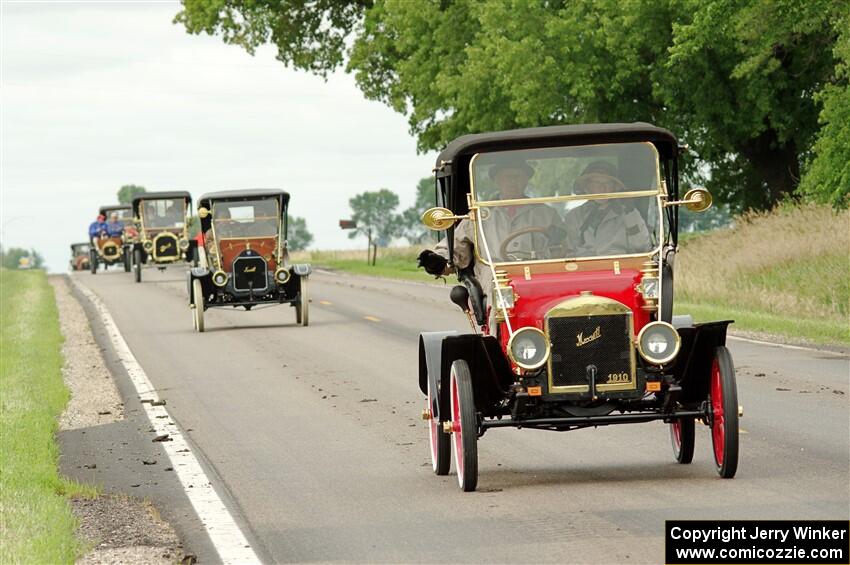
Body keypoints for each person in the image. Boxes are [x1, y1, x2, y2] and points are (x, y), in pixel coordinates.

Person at [417, 157, 563, 295]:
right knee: (499, 293)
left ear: (526, 180)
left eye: (517, 177)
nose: (512, 182)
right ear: (497, 180)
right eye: (507, 177)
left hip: (537, 272)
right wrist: (438, 259)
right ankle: (497, 322)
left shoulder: (546, 214)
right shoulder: (479, 215)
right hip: (494, 274)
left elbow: (567, 248)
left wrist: (560, 243)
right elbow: (456, 244)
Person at [564, 161, 652, 256]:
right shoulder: (574, 216)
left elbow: (643, 247)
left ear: (614, 187)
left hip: (619, 267)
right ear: (587, 187)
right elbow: (569, 252)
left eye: (608, 183)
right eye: (596, 183)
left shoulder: (627, 213)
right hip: (584, 268)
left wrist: (630, 213)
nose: (602, 188)